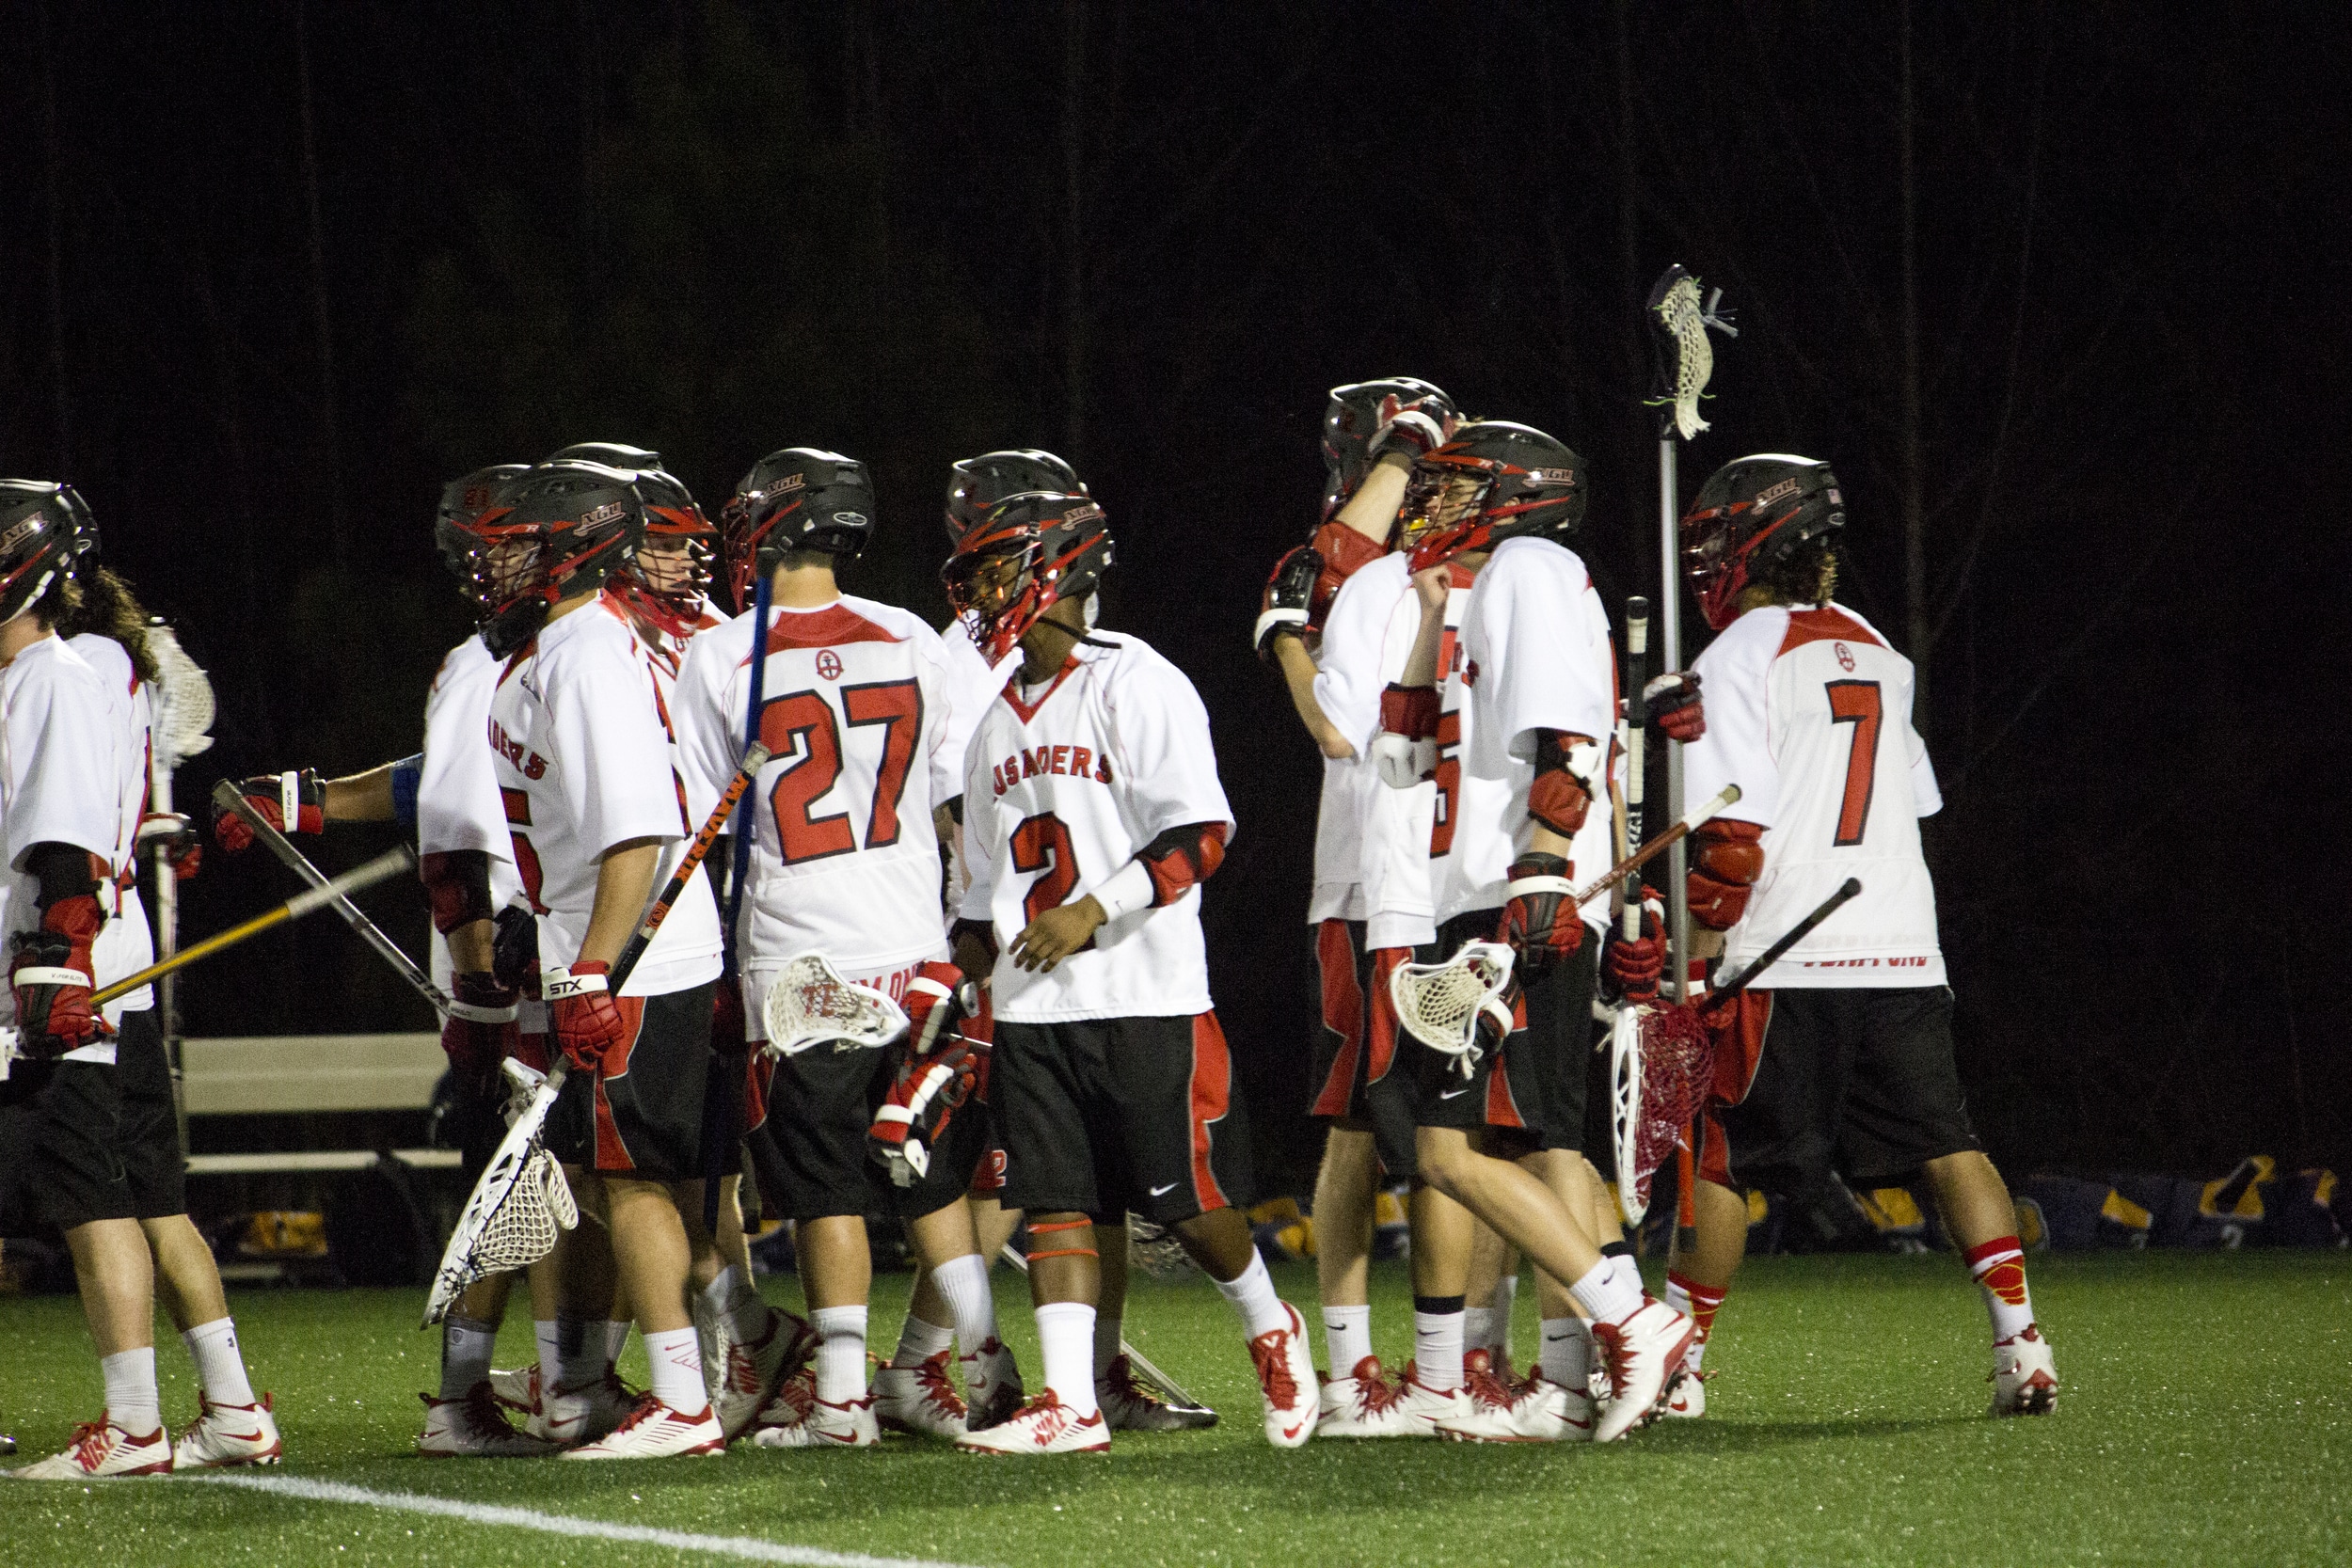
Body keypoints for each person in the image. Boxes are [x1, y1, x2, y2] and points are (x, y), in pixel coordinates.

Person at [1664, 452, 2057, 1418]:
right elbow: (1913, 798)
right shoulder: (1880, 647)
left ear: (1753, 541)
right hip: (1897, 934)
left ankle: (1676, 1367)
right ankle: (2022, 1344)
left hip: (1782, 943)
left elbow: (1728, 839)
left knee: (1718, 1156)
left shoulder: (1735, 656)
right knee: (1947, 1142)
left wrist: (1697, 963)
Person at [943, 488, 1318, 1454]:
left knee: (1187, 1206)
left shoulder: (1136, 678)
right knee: (1061, 1198)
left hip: (1142, 989)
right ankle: (1070, 1400)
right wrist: (959, 988)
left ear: (1059, 569)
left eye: (1000, 567)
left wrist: (1089, 908)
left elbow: (1199, 836)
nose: (986, 590)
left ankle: (1270, 1328)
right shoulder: (991, 718)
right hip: (1032, 1006)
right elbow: (981, 888)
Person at [675, 448, 1016, 1447]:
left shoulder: (722, 655)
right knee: (934, 1171)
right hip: (911, 938)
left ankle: (839, 1399)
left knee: (825, 1183)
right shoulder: (913, 635)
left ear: (770, 526)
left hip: (799, 952)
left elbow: (704, 823)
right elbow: (958, 802)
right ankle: (973, 1366)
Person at [1375, 422, 1694, 1444]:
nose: (1437, 505)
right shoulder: (1480, 589)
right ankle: (1566, 1380)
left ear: (1517, 493)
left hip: (1521, 891)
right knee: (1544, 1136)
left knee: (1447, 1148)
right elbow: (1397, 752)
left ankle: (1633, 1322)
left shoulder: (1533, 564)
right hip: (1488, 891)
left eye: (1459, 488)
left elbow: (1568, 737)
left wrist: (1547, 870)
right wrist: (1431, 615)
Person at [455, 459, 731, 1459]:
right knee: (613, 1178)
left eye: (520, 541)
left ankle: (686, 1397)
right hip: (606, 947)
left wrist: (592, 969)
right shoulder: (561, 647)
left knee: (635, 1180)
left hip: (636, 956)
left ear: (572, 543)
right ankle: (659, 1381)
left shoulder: (584, 656)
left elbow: (635, 833)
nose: (501, 559)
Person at [1253, 377, 1458, 1437]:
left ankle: (1372, 1373)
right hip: (1452, 882)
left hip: (1385, 882)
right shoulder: (1506, 575)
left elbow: (1335, 723)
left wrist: (1285, 636)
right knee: (1447, 1134)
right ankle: (1442, 1368)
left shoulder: (1382, 581)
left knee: (1389, 1134)